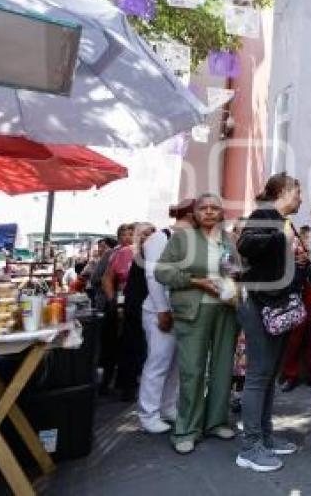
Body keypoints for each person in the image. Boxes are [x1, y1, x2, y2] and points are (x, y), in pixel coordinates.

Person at [155, 194, 239, 455]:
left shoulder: (228, 239)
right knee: (192, 370)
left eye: (215, 208)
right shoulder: (183, 238)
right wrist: (195, 281)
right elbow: (161, 271)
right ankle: (186, 429)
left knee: (223, 367)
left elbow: (236, 269)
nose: (210, 212)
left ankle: (216, 421)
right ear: (195, 212)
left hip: (226, 309)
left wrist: (235, 276)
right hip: (194, 309)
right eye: (204, 208)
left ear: (222, 213)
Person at [234, 173, 305, 472]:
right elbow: (246, 245)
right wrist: (281, 239)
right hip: (261, 306)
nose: (301, 199)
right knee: (258, 377)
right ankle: (250, 447)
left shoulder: (279, 220)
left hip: (273, 306)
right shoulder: (264, 215)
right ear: (286, 191)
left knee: (269, 376)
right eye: (298, 193)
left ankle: (264, 436)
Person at [138, 200, 195, 434]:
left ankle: (167, 406)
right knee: (158, 362)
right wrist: (162, 310)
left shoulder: (188, 239)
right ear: (191, 215)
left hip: (180, 311)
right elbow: (153, 277)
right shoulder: (159, 238)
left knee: (173, 365)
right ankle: (147, 413)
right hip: (158, 311)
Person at [116, 222, 156, 401]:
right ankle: (127, 387)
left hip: (149, 306)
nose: (146, 237)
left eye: (150, 234)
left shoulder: (155, 254)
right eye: (143, 234)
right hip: (133, 305)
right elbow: (112, 277)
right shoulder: (129, 253)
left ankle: (134, 385)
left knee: (144, 348)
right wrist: (117, 304)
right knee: (131, 346)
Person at [279, 225, 311, 393]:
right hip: (298, 301)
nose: (310, 245)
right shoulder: (292, 262)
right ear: (301, 241)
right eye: (308, 241)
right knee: (293, 340)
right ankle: (290, 375)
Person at [98, 224, 135, 395]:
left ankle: (126, 384)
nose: (127, 237)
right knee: (112, 342)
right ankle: (107, 381)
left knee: (130, 345)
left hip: (137, 304)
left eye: (131, 234)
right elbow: (105, 277)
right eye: (124, 234)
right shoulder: (115, 254)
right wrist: (113, 300)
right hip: (118, 303)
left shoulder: (144, 253)